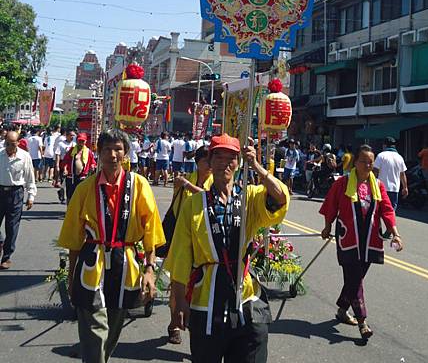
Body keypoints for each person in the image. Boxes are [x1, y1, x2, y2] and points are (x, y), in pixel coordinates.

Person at [166, 133, 289, 363]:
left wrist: (257, 167)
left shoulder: (249, 197)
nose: (225, 163)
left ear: (238, 162)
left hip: (246, 297)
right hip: (206, 300)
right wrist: (180, 303)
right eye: (219, 157)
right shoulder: (194, 204)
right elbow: (181, 254)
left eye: (231, 157)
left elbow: (280, 198)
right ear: (210, 162)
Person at [57, 129, 165, 363]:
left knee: (113, 329)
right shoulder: (85, 188)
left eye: (118, 149)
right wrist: (71, 274)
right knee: (95, 329)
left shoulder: (139, 185)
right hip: (91, 264)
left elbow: (150, 230)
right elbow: (74, 237)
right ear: (98, 153)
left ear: (126, 154)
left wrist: (149, 269)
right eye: (107, 149)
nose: (112, 155)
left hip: (124, 263)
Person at [320, 144, 403, 340]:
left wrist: (396, 234)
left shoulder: (378, 185)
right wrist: (327, 226)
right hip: (348, 239)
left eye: (371, 162)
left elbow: (387, 211)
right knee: (355, 278)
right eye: (363, 161)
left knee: (354, 279)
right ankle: (362, 322)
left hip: (369, 241)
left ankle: (342, 309)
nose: (368, 165)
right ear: (355, 162)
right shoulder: (342, 183)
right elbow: (331, 205)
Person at [166, 145, 214, 345]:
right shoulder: (187, 179)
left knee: (200, 287)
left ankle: (198, 327)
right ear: (198, 163)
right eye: (206, 161)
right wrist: (180, 187)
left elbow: (208, 197)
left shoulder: (214, 181)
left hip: (206, 241)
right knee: (178, 282)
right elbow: (176, 207)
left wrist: (186, 186)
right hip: (184, 238)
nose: (210, 166)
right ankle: (174, 324)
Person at [0, 131, 36, 269]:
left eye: (11, 144)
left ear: (18, 143)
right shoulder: (0, 154)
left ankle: (6, 257)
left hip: (16, 194)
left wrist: (31, 196)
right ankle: (1, 241)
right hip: (0, 191)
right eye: (6, 143)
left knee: (12, 227)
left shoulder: (24, 156)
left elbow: (29, 177)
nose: (8, 146)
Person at [373, 137, 408, 212]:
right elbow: (402, 174)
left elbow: (375, 171)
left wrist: (371, 184)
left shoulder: (381, 155)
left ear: (384, 145)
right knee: (391, 212)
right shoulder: (399, 157)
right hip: (394, 189)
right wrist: (405, 187)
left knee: (378, 211)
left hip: (381, 188)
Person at [61, 132, 96, 203]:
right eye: (79, 141)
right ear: (77, 140)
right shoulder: (71, 150)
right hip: (71, 177)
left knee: (82, 196)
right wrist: (65, 169)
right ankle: (69, 212)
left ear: (85, 141)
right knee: (70, 196)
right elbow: (65, 162)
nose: (81, 143)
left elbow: (93, 163)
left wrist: (92, 166)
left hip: (83, 177)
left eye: (82, 141)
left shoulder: (88, 152)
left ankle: (79, 212)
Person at [54, 129, 76, 203]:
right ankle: (62, 196)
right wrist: (57, 165)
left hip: (72, 164)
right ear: (66, 136)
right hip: (63, 163)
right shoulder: (61, 144)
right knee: (63, 181)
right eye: (71, 135)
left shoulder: (75, 144)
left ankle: (68, 196)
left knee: (69, 182)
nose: (72, 137)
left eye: (73, 135)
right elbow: (58, 154)